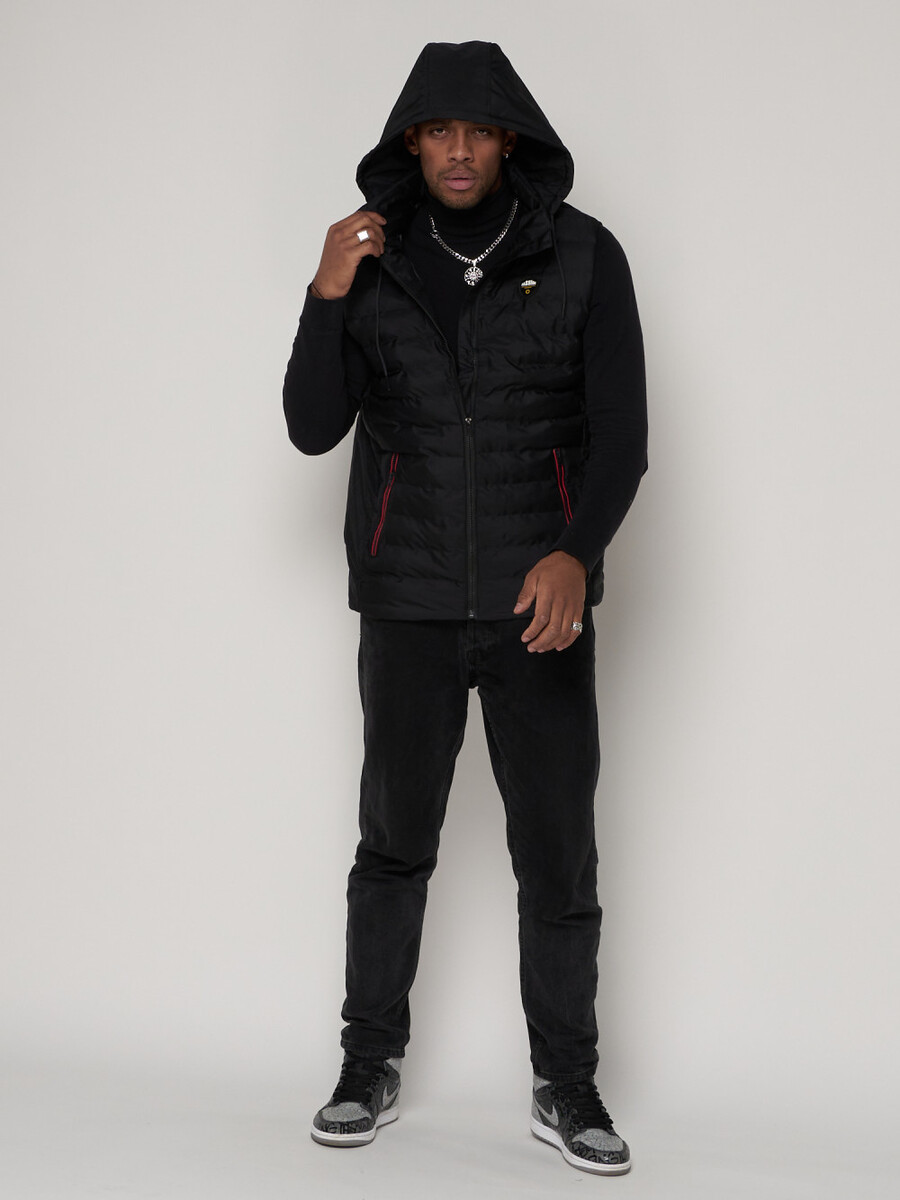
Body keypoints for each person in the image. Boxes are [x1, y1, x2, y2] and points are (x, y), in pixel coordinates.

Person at [282, 40, 647, 1176]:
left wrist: (575, 553)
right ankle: (367, 1063)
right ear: (411, 141)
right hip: (409, 599)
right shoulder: (372, 259)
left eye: (477, 131)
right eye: (437, 130)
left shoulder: (583, 255)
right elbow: (311, 426)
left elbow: (622, 435)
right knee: (393, 845)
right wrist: (325, 294)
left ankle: (567, 1082)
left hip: (539, 608)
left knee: (559, 855)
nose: (456, 150)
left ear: (508, 142)